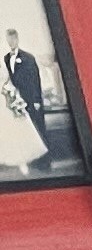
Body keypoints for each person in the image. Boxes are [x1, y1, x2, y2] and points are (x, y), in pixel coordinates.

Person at [0, 32, 46, 174]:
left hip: (21, 97)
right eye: (8, 40)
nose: (10, 42)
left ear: (17, 39)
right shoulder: (6, 58)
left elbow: (8, 78)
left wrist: (35, 99)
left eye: (12, 39)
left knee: (22, 128)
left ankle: (36, 163)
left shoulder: (27, 58)